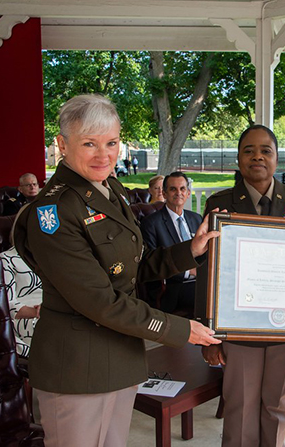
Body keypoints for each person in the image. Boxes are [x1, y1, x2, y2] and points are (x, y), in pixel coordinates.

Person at [13, 94, 221, 447]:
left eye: (111, 143)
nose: (104, 154)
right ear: (62, 145)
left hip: (122, 357)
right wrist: (179, 328)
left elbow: (130, 269)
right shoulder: (54, 211)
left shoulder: (110, 189)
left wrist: (191, 250)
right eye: (89, 144)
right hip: (77, 367)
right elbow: (99, 300)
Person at [196, 124, 285, 447]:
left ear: (276, 159)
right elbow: (207, 270)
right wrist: (208, 335)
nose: (257, 156)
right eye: (249, 150)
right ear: (238, 158)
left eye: (265, 150)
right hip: (237, 328)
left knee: (278, 408)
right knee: (239, 410)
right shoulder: (220, 203)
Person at [140, 172, 202, 316]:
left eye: (182, 189)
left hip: (200, 281)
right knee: (207, 294)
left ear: (188, 193)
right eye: (173, 189)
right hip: (171, 287)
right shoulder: (151, 223)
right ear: (164, 193)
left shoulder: (196, 219)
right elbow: (150, 264)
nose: (178, 193)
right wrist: (189, 271)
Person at [0, 245, 43, 358]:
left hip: (55, 306)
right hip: (26, 315)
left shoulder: (53, 254)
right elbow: (7, 303)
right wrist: (36, 312)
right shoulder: (7, 258)